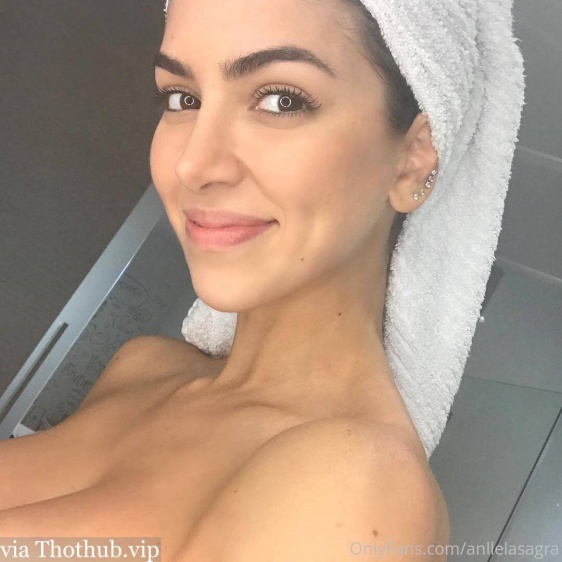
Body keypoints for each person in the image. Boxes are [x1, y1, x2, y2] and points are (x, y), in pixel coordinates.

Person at [7, 0, 526, 558]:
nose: (194, 165)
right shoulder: (143, 367)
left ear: (414, 160)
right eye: (182, 98)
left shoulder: (360, 483)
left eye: (281, 100)